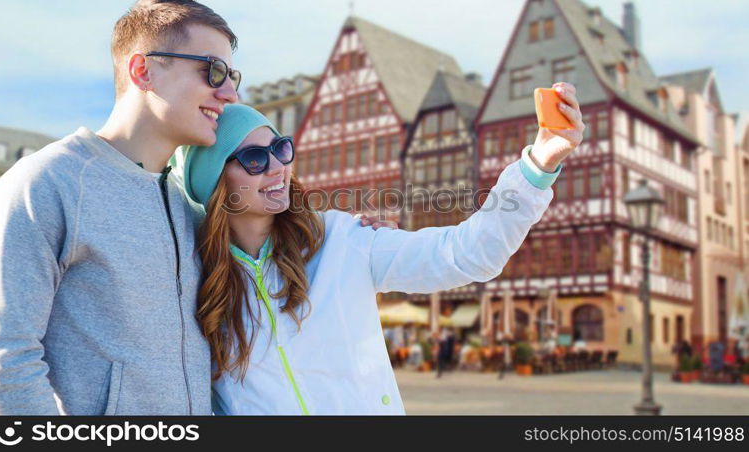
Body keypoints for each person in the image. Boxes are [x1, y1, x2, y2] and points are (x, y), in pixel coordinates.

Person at [0, 0, 397, 416]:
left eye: (233, 76)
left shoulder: (188, 207)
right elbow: (6, 357)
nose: (230, 95)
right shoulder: (45, 184)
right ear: (143, 70)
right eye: (213, 71)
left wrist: (338, 234)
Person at [182, 81, 582, 414]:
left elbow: (465, 254)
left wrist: (538, 168)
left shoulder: (341, 240)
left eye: (280, 149)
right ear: (214, 183)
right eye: (254, 158)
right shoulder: (194, 276)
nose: (276, 167)